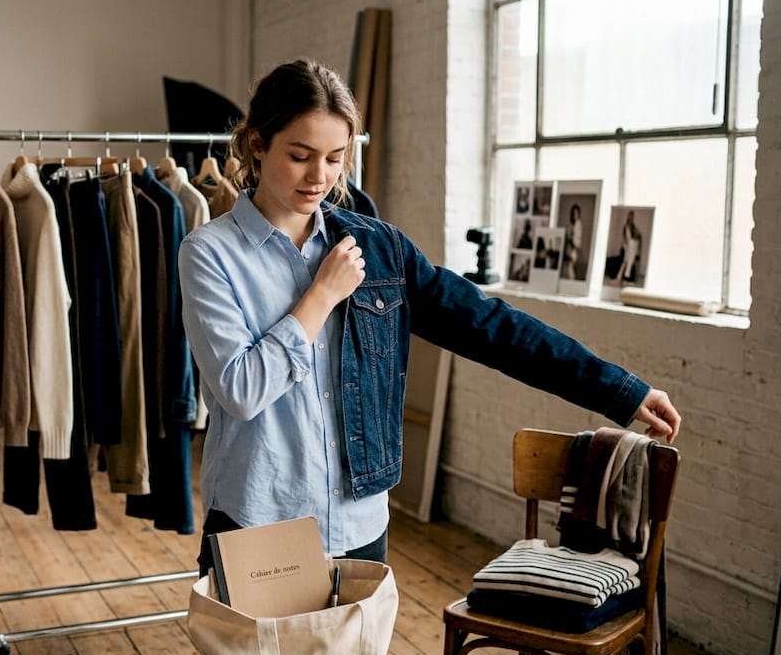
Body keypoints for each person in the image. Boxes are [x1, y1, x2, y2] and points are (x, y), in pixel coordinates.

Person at [177, 59, 681, 573]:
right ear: (258, 144)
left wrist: (621, 391)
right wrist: (321, 296)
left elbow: (491, 326)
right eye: (300, 156)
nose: (320, 177)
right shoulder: (209, 253)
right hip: (260, 520)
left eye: (335, 158)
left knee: (360, 639)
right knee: (253, 636)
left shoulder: (378, 248)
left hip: (358, 526)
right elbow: (240, 390)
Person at [561, 203, 583, 280]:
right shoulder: (572, 224)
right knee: (569, 267)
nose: (575, 215)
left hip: (574, 248)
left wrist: (571, 234)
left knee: (571, 266)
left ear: (578, 214)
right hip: (570, 248)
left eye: (576, 213)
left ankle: (572, 281)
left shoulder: (578, 224)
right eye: (573, 213)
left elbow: (576, 238)